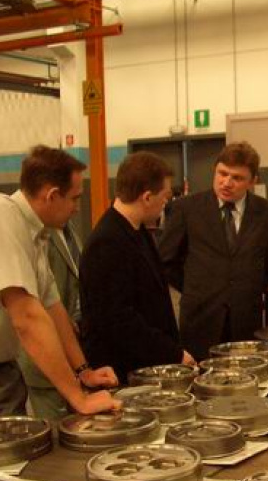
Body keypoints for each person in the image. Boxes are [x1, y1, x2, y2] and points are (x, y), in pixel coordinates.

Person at [0, 145, 118, 419]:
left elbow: (53, 308)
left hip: (2, 373)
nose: (77, 208)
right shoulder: (0, 216)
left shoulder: (37, 233)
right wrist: (79, 399)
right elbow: (26, 317)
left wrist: (83, 372)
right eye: (75, 198)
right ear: (51, 195)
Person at [159, 142, 268, 360]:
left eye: (237, 178)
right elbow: (166, 261)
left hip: (246, 322)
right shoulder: (186, 209)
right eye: (222, 173)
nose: (226, 182)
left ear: (252, 181)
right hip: (200, 320)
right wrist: (196, 287)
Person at [80, 152, 194, 383]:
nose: (166, 204)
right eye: (165, 197)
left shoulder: (137, 229)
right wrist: (173, 354)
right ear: (147, 197)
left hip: (145, 364)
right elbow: (118, 320)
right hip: (122, 372)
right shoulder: (107, 241)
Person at [17, 222, 82, 420]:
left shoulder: (70, 232)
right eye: (72, 203)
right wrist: (80, 398)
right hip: (41, 358)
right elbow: (30, 312)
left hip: (71, 348)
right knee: (52, 429)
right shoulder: (29, 233)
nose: (76, 208)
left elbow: (55, 298)